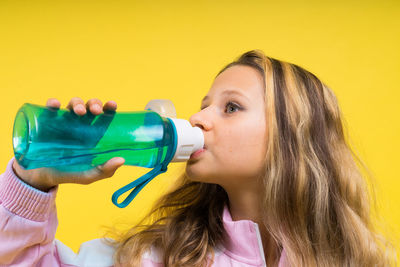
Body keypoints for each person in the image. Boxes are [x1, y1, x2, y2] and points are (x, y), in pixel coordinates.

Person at [0, 50, 395, 267]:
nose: (197, 118)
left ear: (294, 139)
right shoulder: (151, 259)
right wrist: (31, 183)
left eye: (231, 108)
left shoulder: (358, 261)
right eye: (204, 105)